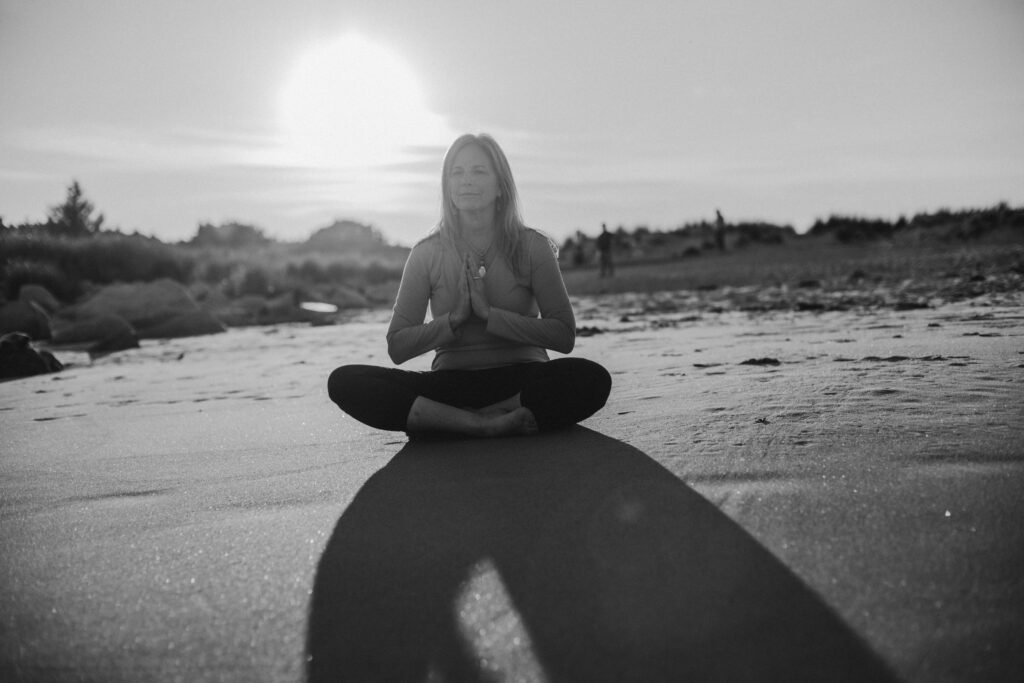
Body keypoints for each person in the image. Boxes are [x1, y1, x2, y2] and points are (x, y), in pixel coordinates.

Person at [327, 133, 611, 438]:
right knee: (344, 381)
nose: (466, 181)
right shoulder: (426, 253)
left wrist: (490, 316)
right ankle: (481, 422)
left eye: (478, 171)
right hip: (451, 383)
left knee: (591, 378)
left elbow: (564, 335)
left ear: (501, 185)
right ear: (447, 187)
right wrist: (455, 320)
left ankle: (463, 420)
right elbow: (397, 346)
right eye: (457, 172)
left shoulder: (532, 246)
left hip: (524, 379)